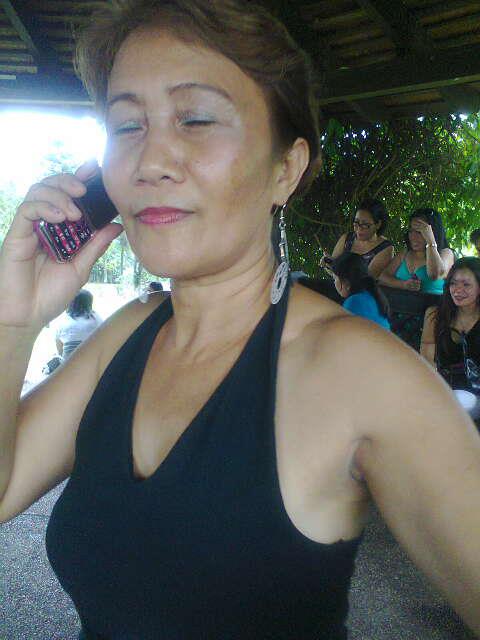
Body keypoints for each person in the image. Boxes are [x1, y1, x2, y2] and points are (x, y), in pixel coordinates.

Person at [0, 2, 479, 639]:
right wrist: (14, 320)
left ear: (286, 169)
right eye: (126, 125)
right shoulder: (124, 337)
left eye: (196, 118)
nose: (150, 160)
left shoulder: (359, 373)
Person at [421, 257, 480, 421]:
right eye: (453, 283)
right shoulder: (435, 315)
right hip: (445, 392)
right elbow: (427, 357)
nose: (457, 290)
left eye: (466, 284)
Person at [378, 208, 454, 294]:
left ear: (432, 232)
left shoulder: (446, 253)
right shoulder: (405, 253)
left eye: (419, 232)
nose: (413, 237)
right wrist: (403, 284)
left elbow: (434, 274)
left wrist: (430, 242)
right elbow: (383, 277)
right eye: (411, 231)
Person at [320, 199, 394, 279]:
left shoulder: (385, 248)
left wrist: (337, 268)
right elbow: (334, 273)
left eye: (365, 225)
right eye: (356, 222)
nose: (359, 228)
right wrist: (328, 265)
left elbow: (366, 281)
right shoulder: (347, 239)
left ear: (378, 224)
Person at [331, 252, 390, 330]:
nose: (334, 282)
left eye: (335, 278)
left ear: (346, 282)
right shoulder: (373, 296)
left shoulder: (354, 302)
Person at [54, 289, 102, 360]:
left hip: (69, 363)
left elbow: (60, 351)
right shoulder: (96, 318)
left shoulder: (64, 321)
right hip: (94, 360)